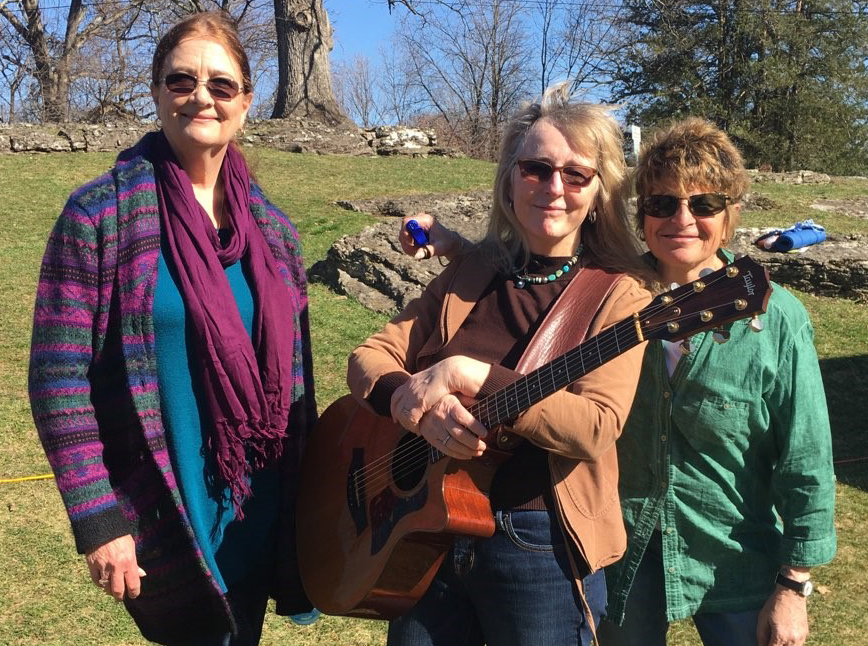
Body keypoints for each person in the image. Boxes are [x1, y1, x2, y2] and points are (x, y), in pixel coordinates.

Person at [28, 11, 315, 646]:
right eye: (181, 80)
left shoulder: (275, 235)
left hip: (256, 508)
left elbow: (300, 385)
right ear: (157, 92)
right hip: (166, 508)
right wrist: (98, 518)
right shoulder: (101, 216)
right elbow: (58, 380)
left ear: (244, 101)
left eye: (221, 84)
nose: (201, 97)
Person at [347, 84, 652, 646]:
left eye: (576, 174)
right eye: (536, 168)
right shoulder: (471, 272)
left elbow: (596, 425)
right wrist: (407, 401)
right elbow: (370, 355)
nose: (554, 188)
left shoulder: (619, 297)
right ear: (510, 178)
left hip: (541, 546)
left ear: (598, 190)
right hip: (427, 532)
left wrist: (474, 375)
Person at [595, 118, 837, 646]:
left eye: (704, 204)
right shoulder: (605, 303)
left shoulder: (778, 319)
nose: (682, 219)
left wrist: (793, 587)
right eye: (661, 204)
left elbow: (806, 457)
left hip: (735, 556)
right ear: (641, 216)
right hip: (621, 555)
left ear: (730, 218)